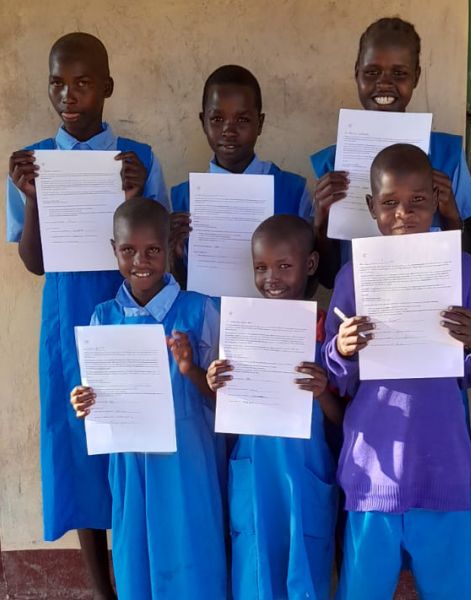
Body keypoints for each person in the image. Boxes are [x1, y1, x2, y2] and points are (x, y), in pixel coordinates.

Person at [6, 32, 168, 600]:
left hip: (132, 318)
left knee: (130, 442)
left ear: (107, 87)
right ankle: (104, 591)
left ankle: (143, 578)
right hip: (67, 323)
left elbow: (160, 247)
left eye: (81, 82)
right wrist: (31, 198)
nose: (68, 94)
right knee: (76, 448)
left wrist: (136, 192)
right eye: (57, 82)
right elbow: (34, 263)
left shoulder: (139, 159)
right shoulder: (31, 164)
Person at [323, 144, 471, 599]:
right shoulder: (353, 276)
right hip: (372, 469)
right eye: (390, 203)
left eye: (418, 200)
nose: (404, 213)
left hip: (443, 463)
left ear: (437, 202)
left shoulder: (464, 271)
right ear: (371, 207)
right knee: (363, 590)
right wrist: (342, 348)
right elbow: (336, 378)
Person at [70, 198, 226, 600]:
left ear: (173, 247)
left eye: (153, 249)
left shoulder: (200, 310)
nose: (141, 260)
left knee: (193, 557)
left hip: (187, 462)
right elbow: (97, 396)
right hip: (129, 463)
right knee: (134, 558)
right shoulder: (102, 318)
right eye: (128, 250)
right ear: (114, 250)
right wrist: (84, 400)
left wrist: (191, 368)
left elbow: (223, 401)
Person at [207, 214, 341, 599]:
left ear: (310, 265)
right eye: (261, 267)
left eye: (284, 266)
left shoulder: (328, 333)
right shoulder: (240, 330)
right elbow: (229, 413)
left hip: (306, 473)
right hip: (255, 471)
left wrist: (322, 392)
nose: (272, 278)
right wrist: (217, 382)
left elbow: (344, 420)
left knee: (305, 569)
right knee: (254, 572)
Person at [311, 17, 471, 285]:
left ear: (416, 76)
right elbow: (330, 279)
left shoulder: (447, 154)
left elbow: (469, 260)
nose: (384, 84)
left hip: (430, 301)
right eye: (372, 72)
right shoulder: (334, 162)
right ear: (357, 72)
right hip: (362, 309)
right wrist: (321, 223)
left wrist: (450, 212)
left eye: (399, 73)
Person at [169, 65, 313, 286]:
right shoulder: (183, 198)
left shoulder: (293, 191)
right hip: (205, 318)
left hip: (274, 317)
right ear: (203, 122)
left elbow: (310, 281)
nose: (229, 130)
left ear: (260, 123)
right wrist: (174, 256)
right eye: (217, 119)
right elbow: (182, 285)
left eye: (243, 120)